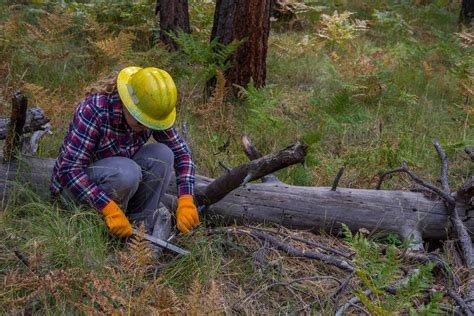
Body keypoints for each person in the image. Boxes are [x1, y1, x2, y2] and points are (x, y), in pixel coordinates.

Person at [50, 66, 200, 238]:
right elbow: (69, 171)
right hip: (75, 192)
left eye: (150, 123)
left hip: (118, 181)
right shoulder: (95, 110)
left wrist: (186, 199)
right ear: (127, 101)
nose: (145, 127)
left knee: (163, 155)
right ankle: (98, 227)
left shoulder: (150, 108)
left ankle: (141, 231)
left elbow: (182, 154)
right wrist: (109, 208)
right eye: (141, 121)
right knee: (127, 171)